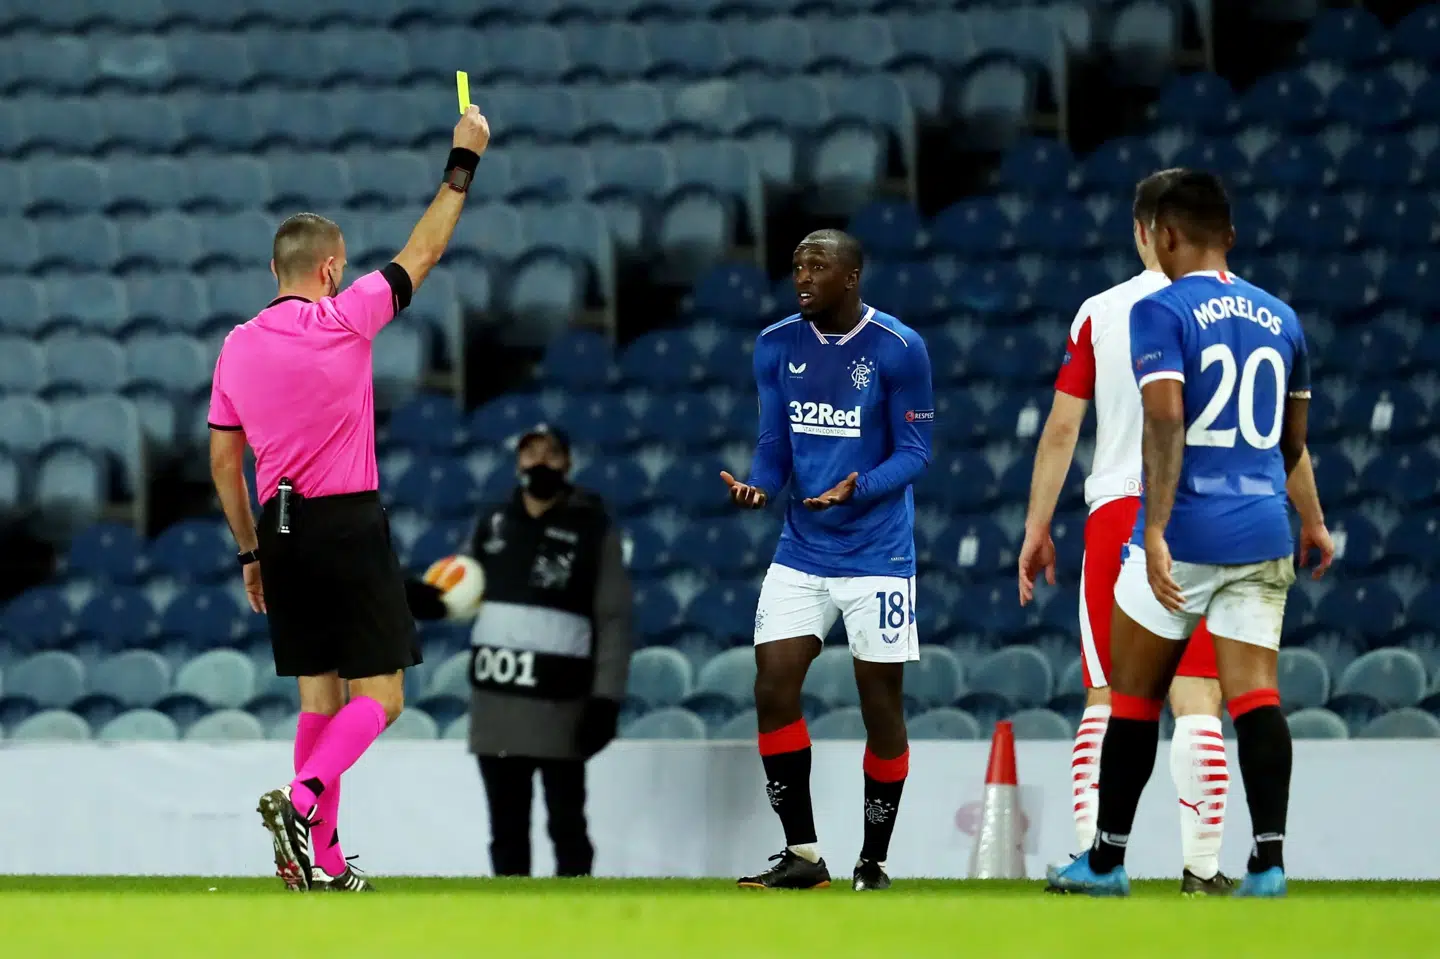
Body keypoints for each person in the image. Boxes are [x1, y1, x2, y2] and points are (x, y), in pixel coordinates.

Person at [208, 105, 492, 892]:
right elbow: (424, 251)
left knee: (317, 694)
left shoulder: (235, 344)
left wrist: (250, 550)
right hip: (345, 519)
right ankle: (302, 806)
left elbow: (223, 460)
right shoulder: (346, 317)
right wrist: (462, 159)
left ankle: (319, 864)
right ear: (331, 268)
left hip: (280, 528)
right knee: (382, 696)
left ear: (275, 272)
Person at [1019, 168, 1325, 894]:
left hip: (1147, 513)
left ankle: (1095, 856)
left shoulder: (1109, 311)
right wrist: (1312, 517)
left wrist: (1039, 524)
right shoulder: (1277, 314)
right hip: (1256, 517)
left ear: (1148, 230)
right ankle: (1220, 866)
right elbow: (1293, 441)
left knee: (1115, 694)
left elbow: (1069, 426)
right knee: (1220, 699)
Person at [721, 229, 933, 892]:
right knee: (772, 685)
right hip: (801, 549)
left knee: (880, 707)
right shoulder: (776, 344)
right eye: (796, 264)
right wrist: (761, 482)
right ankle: (804, 854)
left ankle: (874, 860)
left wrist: (858, 485)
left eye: (817, 264)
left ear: (852, 275)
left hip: (877, 555)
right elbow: (772, 443)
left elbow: (917, 450)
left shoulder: (899, 348)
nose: (803, 275)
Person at [405, 424, 632, 877]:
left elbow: (614, 617)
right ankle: (510, 928)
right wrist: (430, 600)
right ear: (517, 463)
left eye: (550, 453)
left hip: (562, 702)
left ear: (567, 463)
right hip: (496, 704)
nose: (539, 462)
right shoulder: (492, 521)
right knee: (505, 830)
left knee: (566, 825)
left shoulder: (592, 526)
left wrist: (606, 698)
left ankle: (579, 922)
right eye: (530, 453)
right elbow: (462, 588)